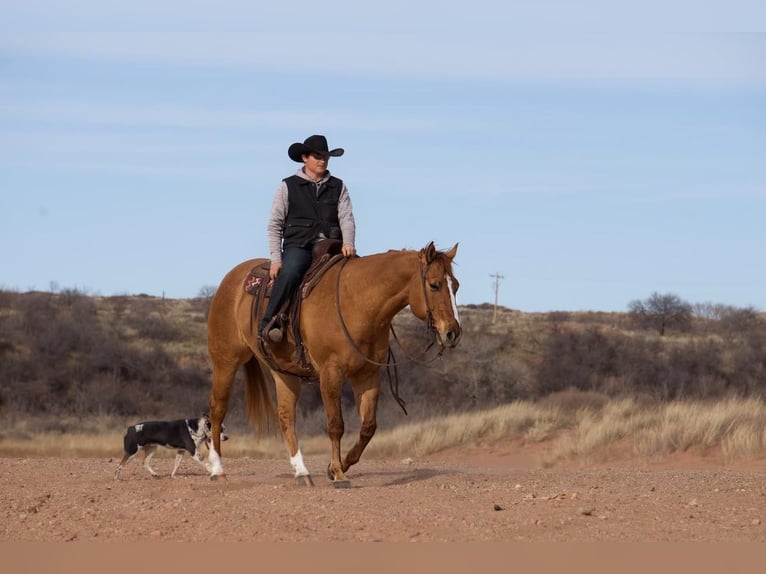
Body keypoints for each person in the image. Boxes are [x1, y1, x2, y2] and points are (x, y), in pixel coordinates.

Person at [259, 134, 357, 343]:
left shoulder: (338, 186)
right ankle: (268, 323)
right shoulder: (288, 186)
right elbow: (274, 224)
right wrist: (277, 259)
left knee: (358, 275)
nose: (322, 160)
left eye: (326, 157)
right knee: (291, 271)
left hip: (333, 244)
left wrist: (348, 243)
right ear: (305, 158)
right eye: (317, 156)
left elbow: (346, 217)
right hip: (299, 245)